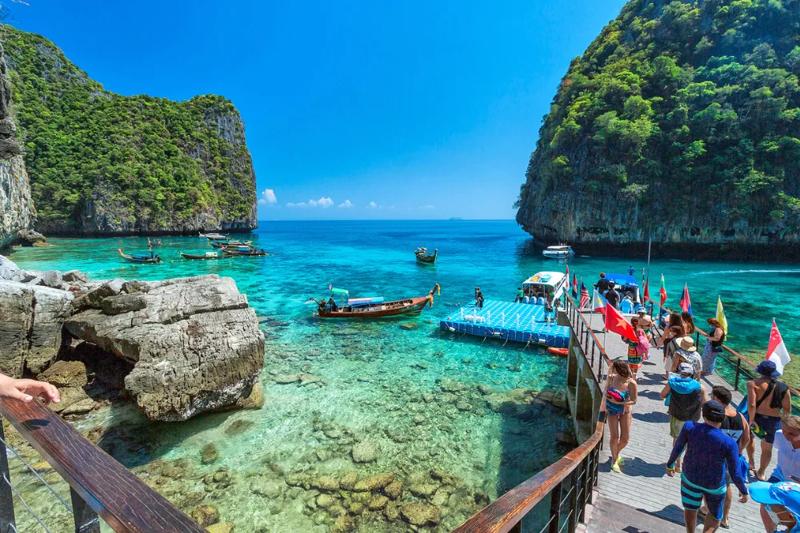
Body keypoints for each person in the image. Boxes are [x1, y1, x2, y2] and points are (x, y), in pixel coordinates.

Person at [666, 401, 749, 533]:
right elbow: (735, 472)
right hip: (715, 485)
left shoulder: (689, 427)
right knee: (715, 516)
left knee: (691, 508)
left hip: (690, 478)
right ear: (722, 418)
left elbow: (678, 448)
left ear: (703, 415)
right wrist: (743, 490)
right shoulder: (729, 442)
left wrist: (670, 465)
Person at [712, 386, 750, 529]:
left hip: (715, 457)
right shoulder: (740, 416)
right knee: (727, 485)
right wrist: (738, 451)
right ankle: (725, 517)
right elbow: (747, 437)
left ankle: (710, 510)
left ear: (717, 399)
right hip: (731, 457)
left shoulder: (717, 415)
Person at [748, 360, 792, 481]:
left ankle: (751, 462)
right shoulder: (784, 387)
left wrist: (751, 420)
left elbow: (752, 405)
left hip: (757, 418)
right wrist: (785, 425)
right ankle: (761, 472)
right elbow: (787, 409)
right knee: (767, 448)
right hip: (774, 421)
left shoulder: (753, 383)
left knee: (749, 438)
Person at [662, 362, 706, 472]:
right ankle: (683, 464)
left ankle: (676, 463)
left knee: (676, 440)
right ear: (691, 374)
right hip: (692, 418)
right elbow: (706, 403)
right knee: (688, 441)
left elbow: (662, 395)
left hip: (676, 415)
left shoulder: (672, 383)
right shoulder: (699, 387)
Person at [759, 414, 800, 532]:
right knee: (765, 500)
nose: (787, 436)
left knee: (794, 511)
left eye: (792, 434)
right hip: (780, 474)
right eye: (785, 432)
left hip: (797, 483)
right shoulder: (779, 435)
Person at [603, 359, 637, 473]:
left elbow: (634, 401)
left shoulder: (631, 382)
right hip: (611, 410)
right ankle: (614, 460)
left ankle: (615, 454)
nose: (612, 370)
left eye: (614, 368)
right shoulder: (612, 377)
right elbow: (605, 391)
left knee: (625, 439)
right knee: (614, 437)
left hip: (624, 411)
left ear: (619, 369)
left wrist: (619, 403)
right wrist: (606, 402)